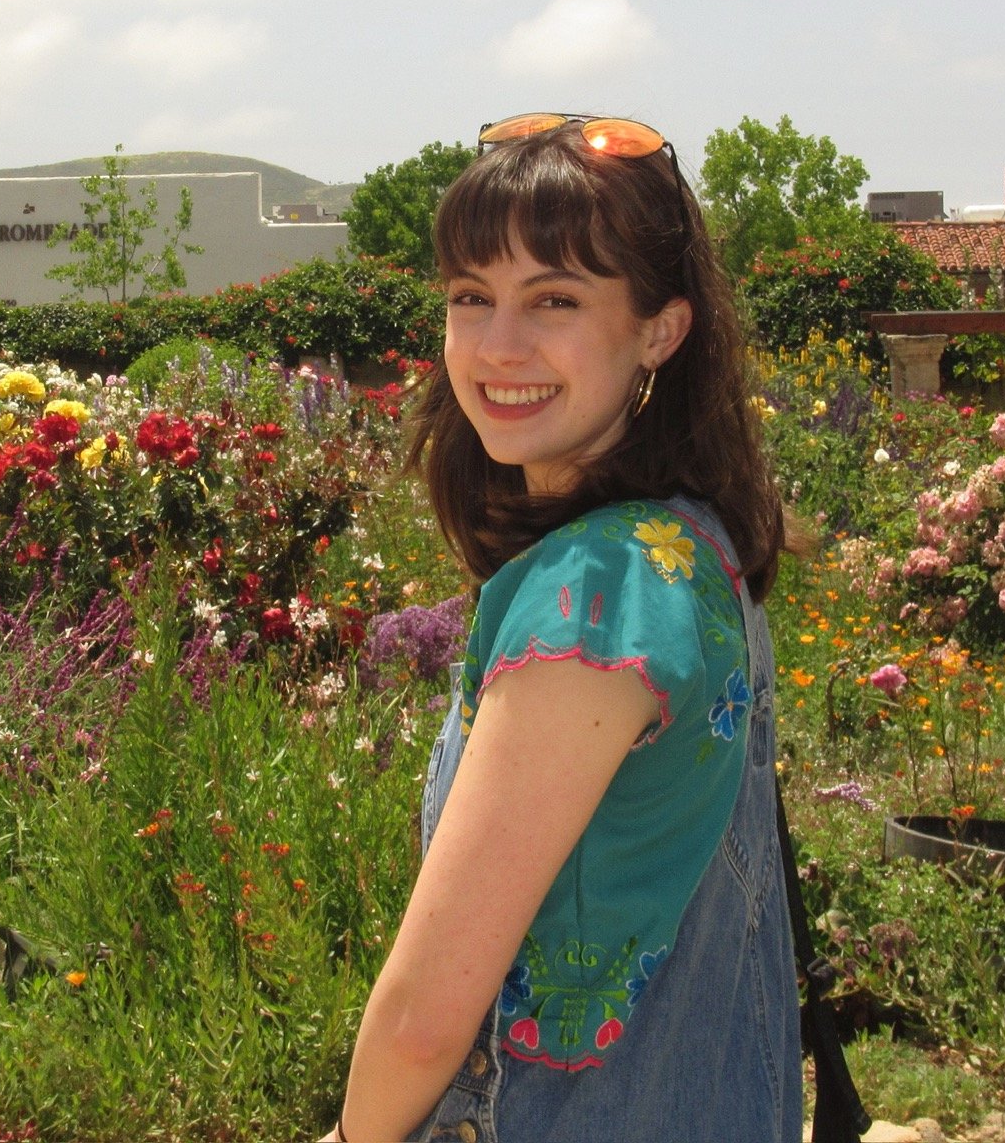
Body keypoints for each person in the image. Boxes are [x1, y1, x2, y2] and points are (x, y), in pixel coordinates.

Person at [322, 114, 803, 1142]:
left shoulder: (597, 597)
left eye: (554, 300)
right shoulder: (690, 544)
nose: (497, 347)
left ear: (659, 330)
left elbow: (423, 1021)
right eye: (469, 297)